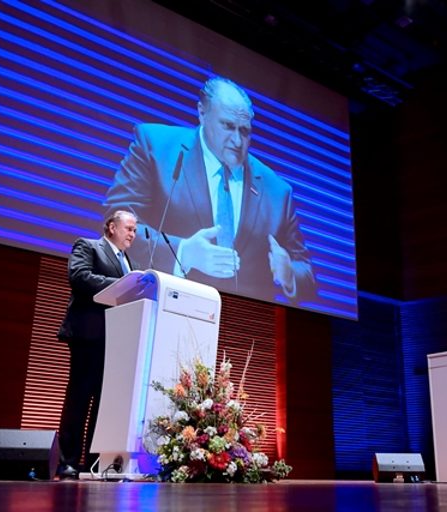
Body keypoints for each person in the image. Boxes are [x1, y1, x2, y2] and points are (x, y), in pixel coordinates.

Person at [104, 76, 316, 304]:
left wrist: (289, 274)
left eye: (245, 131)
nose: (237, 140)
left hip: (243, 322)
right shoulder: (155, 147)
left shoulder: (277, 191)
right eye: (228, 126)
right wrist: (183, 252)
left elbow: (307, 273)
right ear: (202, 113)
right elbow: (115, 223)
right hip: (163, 305)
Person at [56, 210, 138, 478]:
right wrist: (124, 285)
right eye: (128, 228)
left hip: (116, 342)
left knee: (104, 405)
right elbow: (79, 277)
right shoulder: (88, 246)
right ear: (111, 227)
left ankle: (92, 462)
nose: (132, 234)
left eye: (135, 231)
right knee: (79, 399)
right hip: (88, 335)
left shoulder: (129, 262)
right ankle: (67, 461)